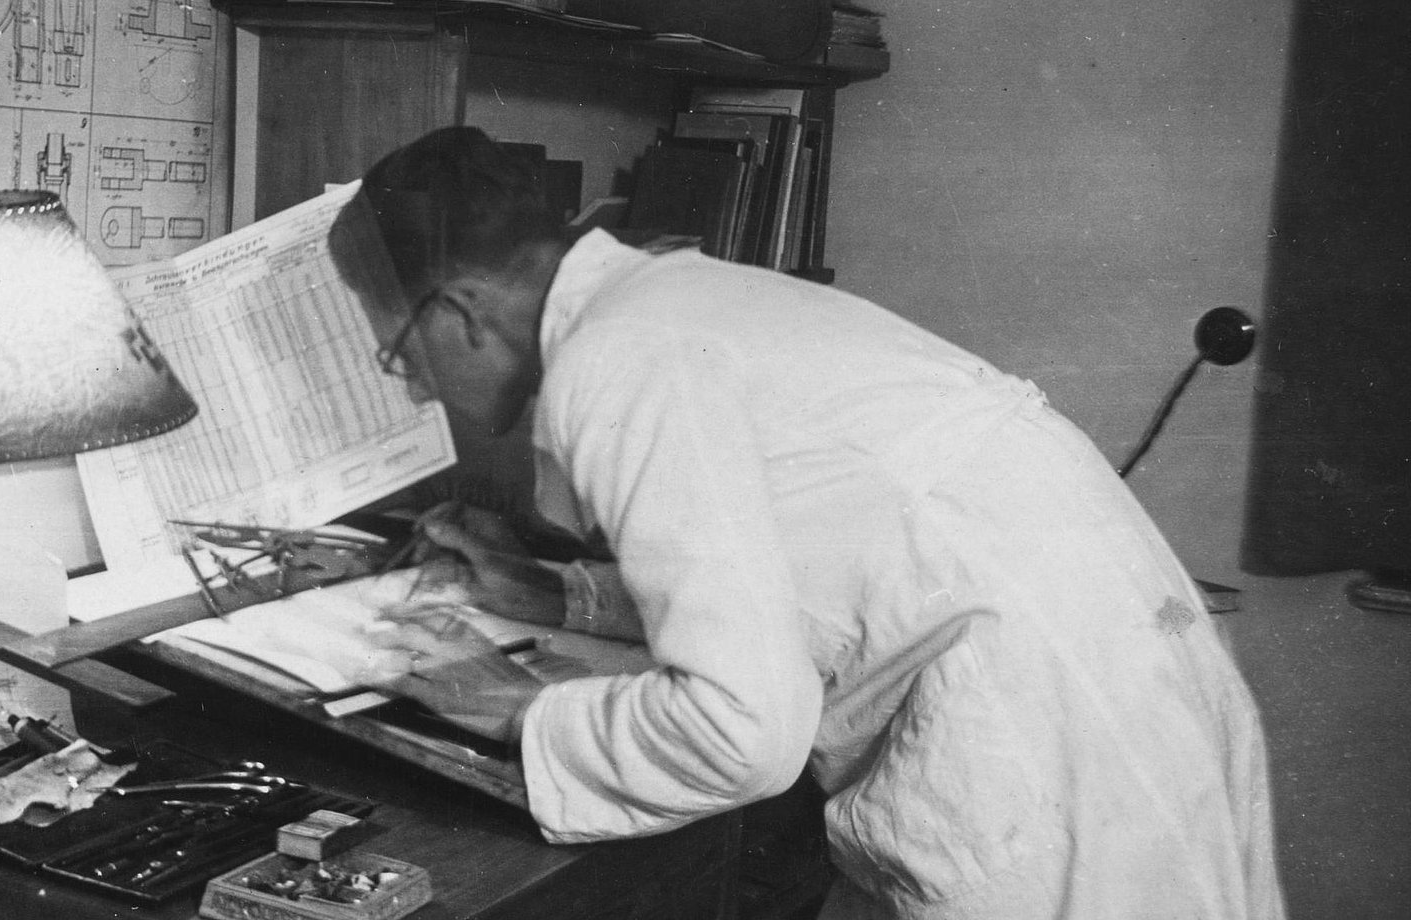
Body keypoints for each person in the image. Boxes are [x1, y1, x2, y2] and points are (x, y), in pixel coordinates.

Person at [336, 125, 1284, 919]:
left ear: (459, 311)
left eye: (396, 353)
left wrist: (523, 709)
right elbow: (786, 572)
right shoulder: (673, 299)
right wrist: (556, 594)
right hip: (1119, 685)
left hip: (1041, 743)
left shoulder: (616, 358)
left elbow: (741, 735)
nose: (415, 384)